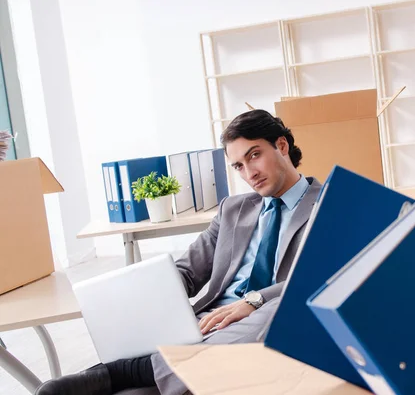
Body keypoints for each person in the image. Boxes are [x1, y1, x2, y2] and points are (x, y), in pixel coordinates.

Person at [36, 109, 322, 395]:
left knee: (283, 312)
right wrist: (135, 292)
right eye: (238, 166)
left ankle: (125, 372)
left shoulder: (329, 205)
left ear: (281, 146)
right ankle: (155, 374)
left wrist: (255, 301)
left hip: (264, 319)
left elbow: (319, 280)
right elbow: (185, 272)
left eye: (254, 155)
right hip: (212, 323)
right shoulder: (233, 210)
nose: (250, 173)